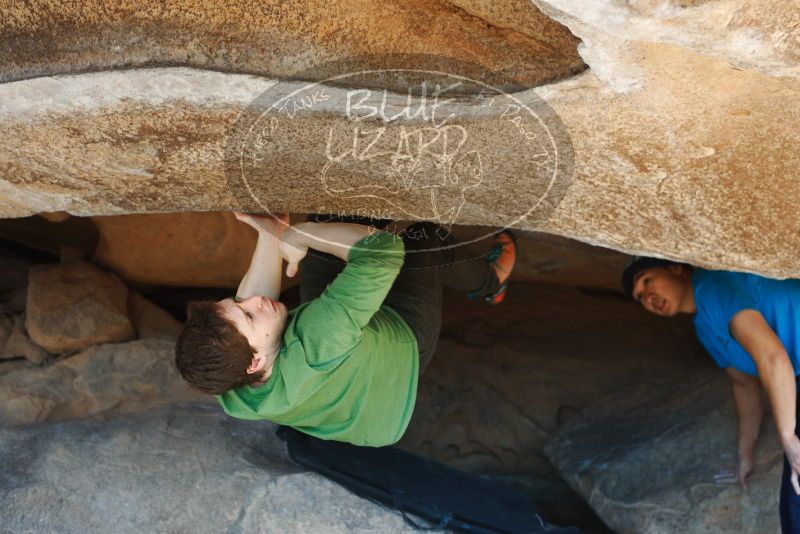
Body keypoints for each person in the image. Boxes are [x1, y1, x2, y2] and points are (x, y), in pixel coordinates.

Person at [175, 212, 517, 447]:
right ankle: (491, 284)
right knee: (422, 238)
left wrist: (271, 229)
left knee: (333, 220)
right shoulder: (319, 339)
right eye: (249, 316)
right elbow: (382, 253)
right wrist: (296, 235)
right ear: (253, 363)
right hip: (396, 358)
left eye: (236, 303)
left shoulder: (226, 377)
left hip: (341, 367)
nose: (253, 303)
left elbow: (253, 301)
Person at [622, 257, 800, 533]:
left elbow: (772, 357)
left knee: (796, 500)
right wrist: (745, 453)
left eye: (647, 281)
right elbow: (744, 386)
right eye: (640, 297)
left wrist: (788, 438)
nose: (648, 297)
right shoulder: (703, 327)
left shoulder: (711, 283)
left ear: (676, 268)